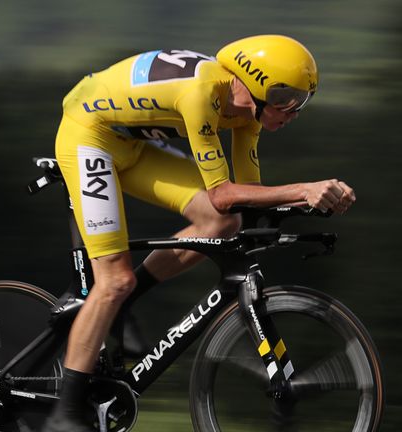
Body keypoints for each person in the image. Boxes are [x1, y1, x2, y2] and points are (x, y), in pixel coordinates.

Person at [44, 34, 356, 431]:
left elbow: (245, 200)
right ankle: (64, 414)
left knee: (222, 223)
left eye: (302, 100)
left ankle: (123, 302)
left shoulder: (247, 114)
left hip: (132, 145)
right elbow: (225, 194)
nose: (293, 111)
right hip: (88, 136)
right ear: (256, 84)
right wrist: (303, 188)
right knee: (113, 281)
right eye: (286, 97)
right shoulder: (202, 93)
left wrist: (313, 201)